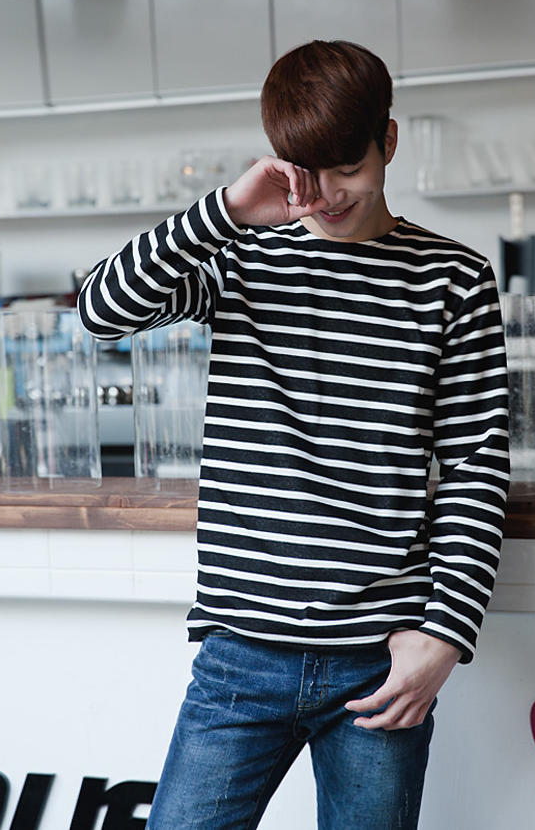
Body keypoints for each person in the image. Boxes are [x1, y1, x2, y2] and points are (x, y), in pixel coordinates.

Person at [78, 40, 509, 830]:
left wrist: (444, 632)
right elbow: (101, 310)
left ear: (387, 140)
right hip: (239, 653)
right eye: (307, 173)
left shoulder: (454, 277)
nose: (329, 195)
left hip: (378, 659)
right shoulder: (240, 254)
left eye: (347, 167)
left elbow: (475, 465)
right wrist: (223, 211)